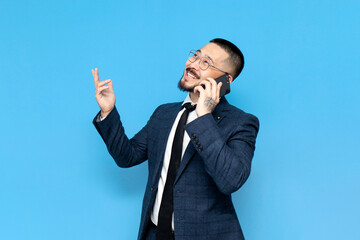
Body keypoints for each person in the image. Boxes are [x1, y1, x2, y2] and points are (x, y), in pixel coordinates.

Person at [92, 38, 259, 240]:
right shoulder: (164, 114)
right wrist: (108, 111)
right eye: (195, 55)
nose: (193, 65)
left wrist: (204, 116)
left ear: (226, 80)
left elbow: (230, 181)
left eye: (205, 62)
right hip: (154, 234)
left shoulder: (241, 122)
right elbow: (127, 156)